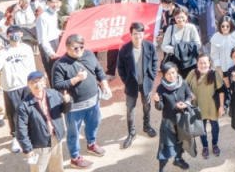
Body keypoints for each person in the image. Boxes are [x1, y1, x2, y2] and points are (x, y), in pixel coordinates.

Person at [51, 34, 109, 168]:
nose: (79, 50)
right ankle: (75, 157)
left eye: (81, 47)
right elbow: (57, 85)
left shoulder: (89, 55)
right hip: (74, 107)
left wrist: (104, 83)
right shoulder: (60, 65)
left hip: (93, 101)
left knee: (94, 124)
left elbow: (98, 70)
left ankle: (91, 144)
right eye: (75, 47)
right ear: (67, 47)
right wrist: (76, 79)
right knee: (73, 133)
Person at [116, 22, 158, 149]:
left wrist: (151, 76)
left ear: (143, 34)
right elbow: (120, 67)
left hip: (146, 83)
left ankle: (146, 126)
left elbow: (155, 62)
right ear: (130, 34)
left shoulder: (149, 46)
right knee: (130, 109)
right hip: (131, 85)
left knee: (147, 105)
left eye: (140, 33)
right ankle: (131, 133)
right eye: (135, 34)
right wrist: (126, 80)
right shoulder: (125, 49)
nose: (138, 36)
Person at [0, 25, 34, 153]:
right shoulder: (4, 51)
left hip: (26, 85)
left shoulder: (27, 48)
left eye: (17, 33)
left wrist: (34, 82)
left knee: (30, 111)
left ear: (22, 34)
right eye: (11, 34)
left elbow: (32, 66)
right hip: (11, 88)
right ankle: (15, 138)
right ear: (7, 36)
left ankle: (30, 134)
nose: (15, 36)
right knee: (14, 114)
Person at [17, 71, 67, 172]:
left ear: (44, 82)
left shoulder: (54, 94)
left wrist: (68, 102)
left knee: (57, 167)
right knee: (38, 169)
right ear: (28, 86)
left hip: (56, 138)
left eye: (39, 81)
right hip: (39, 144)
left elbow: (63, 110)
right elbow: (21, 129)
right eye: (33, 82)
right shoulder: (24, 106)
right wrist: (27, 148)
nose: (37, 84)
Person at [151, 61, 194, 171]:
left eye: (173, 73)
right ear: (164, 75)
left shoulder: (183, 83)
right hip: (168, 122)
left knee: (181, 142)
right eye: (168, 74)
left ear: (177, 72)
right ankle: (162, 168)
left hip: (182, 119)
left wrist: (185, 103)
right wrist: (157, 101)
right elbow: (160, 107)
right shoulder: (161, 88)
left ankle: (178, 159)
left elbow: (189, 96)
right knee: (165, 147)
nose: (171, 76)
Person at [185, 54, 224, 159]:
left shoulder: (214, 74)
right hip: (197, 108)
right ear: (197, 63)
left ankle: (215, 144)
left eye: (205, 62)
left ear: (209, 63)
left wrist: (221, 106)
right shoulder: (192, 73)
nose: (203, 65)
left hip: (212, 108)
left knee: (215, 127)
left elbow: (221, 91)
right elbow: (184, 86)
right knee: (202, 129)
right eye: (200, 62)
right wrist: (189, 93)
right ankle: (205, 147)